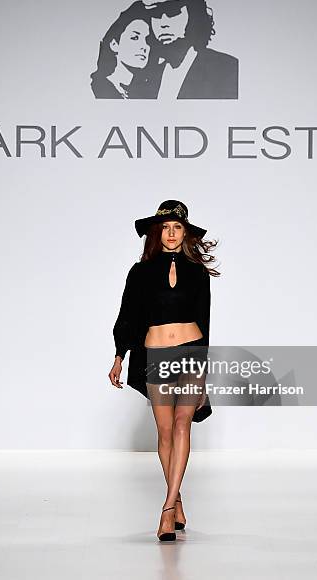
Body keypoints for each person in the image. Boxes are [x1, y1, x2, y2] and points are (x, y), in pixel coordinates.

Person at [108, 200, 221, 541]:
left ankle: (168, 508)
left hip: (191, 352)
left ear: (185, 233)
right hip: (156, 354)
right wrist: (119, 355)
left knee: (183, 423)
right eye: (166, 227)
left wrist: (203, 374)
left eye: (177, 227)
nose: (171, 233)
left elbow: (205, 320)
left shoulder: (198, 272)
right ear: (157, 233)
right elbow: (127, 314)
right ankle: (179, 498)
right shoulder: (139, 272)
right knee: (165, 432)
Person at [144, 0, 239, 99]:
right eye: (156, 14)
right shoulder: (147, 75)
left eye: (173, 12)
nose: (163, 23)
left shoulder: (227, 67)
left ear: (193, 14)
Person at [90, 0, 158, 99]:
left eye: (148, 40)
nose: (144, 46)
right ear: (114, 44)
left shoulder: (142, 91)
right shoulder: (99, 87)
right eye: (135, 38)